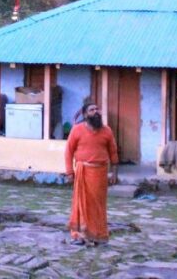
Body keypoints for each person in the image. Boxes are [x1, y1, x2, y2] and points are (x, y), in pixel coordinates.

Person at [64, 102, 118, 246]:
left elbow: (113, 152)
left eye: (97, 109)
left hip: (100, 173)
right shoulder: (76, 130)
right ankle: (79, 236)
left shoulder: (107, 131)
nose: (96, 112)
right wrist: (70, 172)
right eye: (92, 110)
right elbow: (68, 151)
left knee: (98, 205)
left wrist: (114, 173)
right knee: (81, 204)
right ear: (85, 114)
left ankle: (98, 235)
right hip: (83, 172)